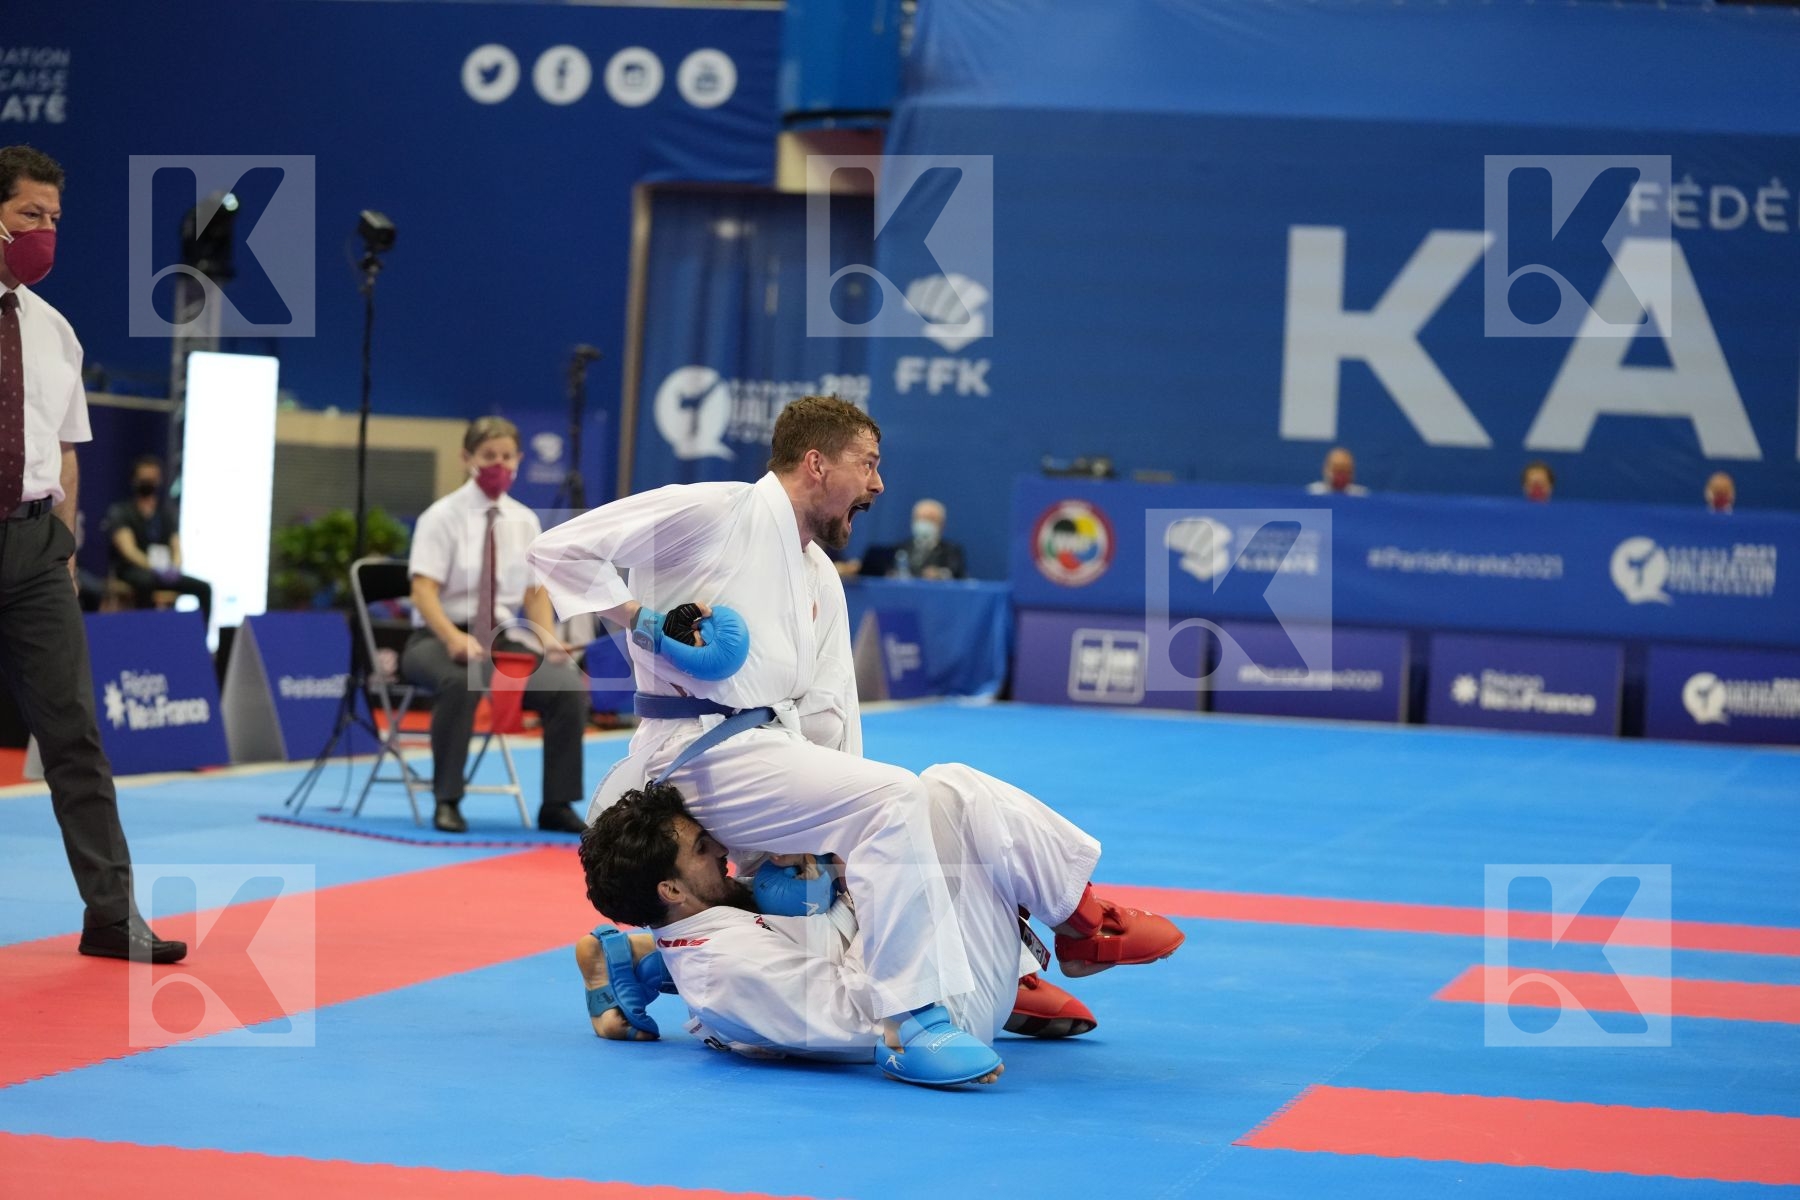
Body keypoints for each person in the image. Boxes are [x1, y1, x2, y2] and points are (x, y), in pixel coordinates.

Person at [527, 396, 1183, 1081]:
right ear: (816, 464)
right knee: (890, 802)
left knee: (910, 813)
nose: (878, 485)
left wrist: (836, 838)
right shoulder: (715, 510)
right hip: (697, 751)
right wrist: (642, 621)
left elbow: (832, 711)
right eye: (867, 464)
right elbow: (558, 551)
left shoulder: (818, 577)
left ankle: (637, 963)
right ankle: (913, 1023)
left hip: (773, 751)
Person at [573, 773, 1171, 1087]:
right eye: (703, 850)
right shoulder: (728, 969)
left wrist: (838, 884)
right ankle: (1070, 933)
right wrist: (869, 890)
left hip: (909, 977)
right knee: (945, 792)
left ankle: (1074, 922)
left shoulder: (715, 919)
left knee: (933, 796)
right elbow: (858, 1015)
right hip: (924, 1015)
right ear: (670, 891)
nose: (723, 850)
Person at [0, 144, 185, 962]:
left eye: (53, 219)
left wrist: (67, 545)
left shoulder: (54, 331)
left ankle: (112, 915)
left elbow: (68, 450)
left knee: (74, 731)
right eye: (27, 216)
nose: (44, 233)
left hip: (38, 544)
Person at [402, 416, 588, 834]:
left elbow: (533, 594)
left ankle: (556, 804)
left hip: (501, 641)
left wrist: (549, 640)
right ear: (467, 458)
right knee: (459, 680)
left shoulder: (524, 520)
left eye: (507, 457)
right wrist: (453, 638)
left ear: (520, 460)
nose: (499, 465)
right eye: (489, 456)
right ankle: (446, 799)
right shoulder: (442, 516)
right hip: (436, 637)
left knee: (566, 685)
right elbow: (423, 592)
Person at [103, 455, 212, 620]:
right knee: (145, 583)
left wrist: (174, 567)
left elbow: (176, 546)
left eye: (152, 479)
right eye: (144, 478)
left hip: (164, 572)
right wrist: (152, 567)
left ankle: (203, 640)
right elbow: (128, 550)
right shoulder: (122, 512)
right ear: (134, 480)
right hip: (134, 571)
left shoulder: (165, 515)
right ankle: (148, 630)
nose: (148, 482)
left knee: (204, 588)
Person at [863, 498, 967, 579]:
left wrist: (940, 575)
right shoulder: (901, 548)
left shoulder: (951, 551)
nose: (924, 523)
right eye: (919, 518)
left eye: (929, 519)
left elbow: (959, 578)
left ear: (941, 524)